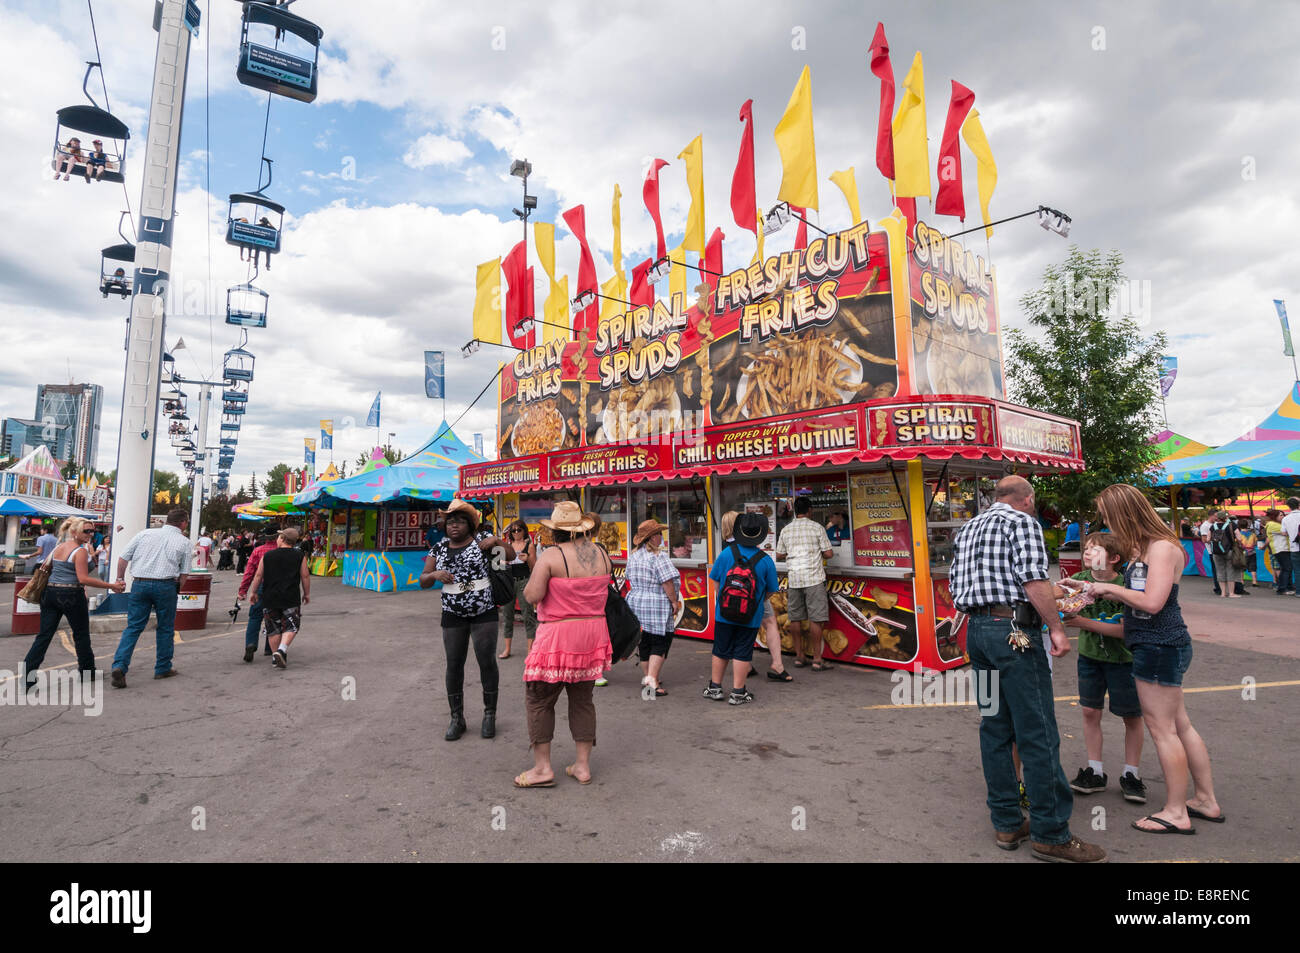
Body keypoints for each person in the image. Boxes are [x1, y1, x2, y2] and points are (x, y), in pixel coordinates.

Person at [950, 475, 1106, 863]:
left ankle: (1006, 823)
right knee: (1036, 731)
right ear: (1027, 498)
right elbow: (1033, 582)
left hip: (978, 634)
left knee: (994, 727)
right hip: (1015, 634)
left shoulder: (969, 527)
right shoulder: (1022, 523)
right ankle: (1050, 833)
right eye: (1034, 500)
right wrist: (1056, 627)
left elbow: (955, 584)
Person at [1083, 483, 1222, 834]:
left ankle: (1176, 812)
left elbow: (1153, 602)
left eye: (1110, 517)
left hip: (1159, 646)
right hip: (1158, 644)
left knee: (1163, 731)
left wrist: (1108, 588)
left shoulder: (1160, 547)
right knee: (1180, 725)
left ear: (1124, 513)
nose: (1109, 524)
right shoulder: (1148, 547)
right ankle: (1204, 799)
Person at [511, 502, 611, 787]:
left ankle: (542, 769)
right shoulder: (601, 553)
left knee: (539, 698)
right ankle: (582, 766)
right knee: (582, 700)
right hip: (593, 635)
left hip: (557, 636)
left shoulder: (553, 556)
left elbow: (532, 595)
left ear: (556, 531)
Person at [1061, 533, 1147, 804]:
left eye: (1093, 549)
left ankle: (1131, 774)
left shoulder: (1126, 585)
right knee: (1089, 711)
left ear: (1114, 558)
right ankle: (1095, 771)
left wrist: (1084, 624)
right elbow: (1062, 604)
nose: (1086, 553)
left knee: (1131, 716)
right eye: (1085, 549)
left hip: (1123, 660)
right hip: (1089, 656)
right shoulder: (1079, 581)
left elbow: (1126, 631)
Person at [419, 499, 513, 741]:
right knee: (454, 664)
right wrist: (434, 574)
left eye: (460, 522)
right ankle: (456, 718)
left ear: (470, 525)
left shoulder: (483, 544)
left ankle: (489, 715)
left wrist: (498, 542)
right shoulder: (438, 549)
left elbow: (511, 555)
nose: (454, 526)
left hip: (484, 612)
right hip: (452, 614)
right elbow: (423, 579)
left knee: (486, 661)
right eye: (450, 522)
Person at [22, 518, 124, 690]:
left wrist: (91, 556)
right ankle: (87, 672)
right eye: (86, 531)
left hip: (50, 594)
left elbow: (65, 569)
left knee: (44, 636)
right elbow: (83, 578)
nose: (91, 534)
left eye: (92, 531)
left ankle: (27, 679)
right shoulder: (79, 551)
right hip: (71, 594)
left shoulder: (58, 548)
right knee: (81, 634)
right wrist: (111, 586)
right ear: (74, 532)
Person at [110, 508, 193, 688]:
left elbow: (123, 558)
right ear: (183, 523)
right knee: (165, 627)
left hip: (140, 583)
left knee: (133, 627)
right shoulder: (184, 542)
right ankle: (162, 667)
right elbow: (184, 573)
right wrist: (177, 589)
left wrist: (119, 579)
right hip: (166, 585)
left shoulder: (144, 534)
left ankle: (119, 665)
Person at [706, 512, 780, 706]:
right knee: (742, 651)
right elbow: (771, 590)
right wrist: (756, 601)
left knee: (720, 649)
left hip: (724, 613)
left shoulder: (726, 553)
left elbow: (714, 578)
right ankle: (738, 692)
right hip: (751, 615)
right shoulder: (765, 560)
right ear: (760, 535)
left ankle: (715, 688)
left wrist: (723, 597)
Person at [721, 510, 790, 682]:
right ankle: (777, 665)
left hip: (731, 596)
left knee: (738, 626)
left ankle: (747, 665)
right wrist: (759, 599)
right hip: (753, 593)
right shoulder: (746, 545)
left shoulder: (725, 547)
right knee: (770, 622)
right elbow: (769, 584)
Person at [775, 496, 834, 671]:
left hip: (794, 579)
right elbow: (829, 553)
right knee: (816, 618)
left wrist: (794, 553)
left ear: (795, 511)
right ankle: (817, 659)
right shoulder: (817, 528)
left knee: (795, 618)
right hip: (814, 578)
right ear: (810, 511)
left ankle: (799, 656)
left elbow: (779, 555)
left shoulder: (786, 530)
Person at [626, 518, 680, 698]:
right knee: (659, 641)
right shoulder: (659, 556)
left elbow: (629, 578)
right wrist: (674, 601)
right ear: (650, 538)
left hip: (637, 601)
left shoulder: (633, 556)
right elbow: (667, 582)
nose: (661, 536)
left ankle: (649, 677)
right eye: (658, 533)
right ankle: (652, 682)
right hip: (656, 601)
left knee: (645, 642)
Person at [248, 527, 311, 669]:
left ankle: (276, 656)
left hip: (270, 597)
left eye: (279, 537)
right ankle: (282, 650)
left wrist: (253, 593)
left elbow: (258, 575)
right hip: (290, 597)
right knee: (292, 625)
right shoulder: (299, 556)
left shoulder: (268, 556)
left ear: (282, 539)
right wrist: (306, 594)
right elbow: (305, 576)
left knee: (273, 628)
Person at [498, 520, 538, 660]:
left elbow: (534, 568)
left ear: (524, 531)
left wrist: (527, 559)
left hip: (524, 581)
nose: (516, 533)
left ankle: (530, 651)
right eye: (513, 531)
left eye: (518, 530)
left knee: (528, 615)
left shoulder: (529, 546)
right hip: (509, 582)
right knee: (507, 615)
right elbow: (499, 566)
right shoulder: (507, 546)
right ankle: (507, 649)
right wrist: (504, 562)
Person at [238, 529, 279, 661]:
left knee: (255, 616)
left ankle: (251, 643)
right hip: (278, 588)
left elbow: (249, 572)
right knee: (274, 617)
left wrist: (243, 591)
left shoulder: (257, 551)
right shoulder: (283, 551)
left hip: (261, 586)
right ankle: (269, 647)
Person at [1207, 511, 1241, 599]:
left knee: (1220, 571)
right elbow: (1239, 537)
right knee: (1230, 571)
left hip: (1216, 552)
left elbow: (1207, 539)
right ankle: (1231, 593)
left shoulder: (1212, 527)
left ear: (1217, 518)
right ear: (1226, 518)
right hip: (1229, 551)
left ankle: (1223, 593)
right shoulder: (1231, 525)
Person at [1265, 508, 1288, 592]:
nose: (1283, 517)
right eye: (1281, 515)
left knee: (1279, 568)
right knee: (1282, 568)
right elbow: (1286, 532)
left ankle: (1278, 584)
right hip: (1279, 549)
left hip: (1279, 549)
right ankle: (1280, 586)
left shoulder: (1276, 524)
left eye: (1283, 515)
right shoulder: (1273, 525)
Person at [1281, 497, 1300, 595]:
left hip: (1294, 548)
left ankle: (1298, 592)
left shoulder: (1285, 519)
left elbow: (1283, 533)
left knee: (1297, 571)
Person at [1198, 514, 1221, 594]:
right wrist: (1216, 539)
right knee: (1216, 570)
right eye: (1215, 516)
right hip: (1212, 551)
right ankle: (1218, 588)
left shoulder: (1215, 524)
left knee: (1219, 570)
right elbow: (1204, 540)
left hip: (1218, 550)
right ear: (1210, 516)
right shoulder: (1205, 526)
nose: (1217, 518)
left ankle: (1221, 587)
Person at [1236, 517, 1258, 589]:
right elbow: (1255, 543)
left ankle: (1242, 581)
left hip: (1243, 553)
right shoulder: (1253, 534)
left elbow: (1237, 543)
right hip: (1252, 552)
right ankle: (1254, 582)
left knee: (1242, 568)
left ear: (1239, 526)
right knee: (1253, 568)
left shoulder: (1239, 534)